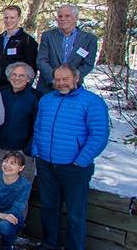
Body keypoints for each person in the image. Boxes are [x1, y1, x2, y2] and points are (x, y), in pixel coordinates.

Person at [32, 64, 108, 250]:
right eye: (57, 79)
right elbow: (38, 126)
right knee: (49, 208)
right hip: (46, 164)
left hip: (74, 167)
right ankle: (50, 244)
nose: (61, 83)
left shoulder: (92, 102)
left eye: (65, 79)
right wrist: (37, 150)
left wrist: (81, 160)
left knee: (75, 213)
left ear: (76, 78)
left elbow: (99, 135)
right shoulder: (47, 100)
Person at [0, 62, 41, 183]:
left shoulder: (36, 97)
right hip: (0, 149)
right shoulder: (1, 93)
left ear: (28, 78)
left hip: (22, 151)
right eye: (14, 75)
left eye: (21, 76)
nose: (17, 78)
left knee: (21, 188)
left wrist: (28, 149)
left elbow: (38, 126)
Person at [37, 4, 98, 93]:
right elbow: (41, 60)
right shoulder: (48, 36)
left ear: (75, 18)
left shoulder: (89, 39)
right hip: (48, 87)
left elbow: (88, 64)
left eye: (67, 16)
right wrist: (55, 80)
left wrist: (71, 80)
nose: (62, 19)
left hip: (74, 87)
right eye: (60, 16)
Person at [0, 5, 38, 88]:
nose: (8, 20)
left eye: (12, 18)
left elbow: (32, 67)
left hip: (17, 86)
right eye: (6, 18)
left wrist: (25, 86)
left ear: (19, 19)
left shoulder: (27, 40)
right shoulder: (0, 39)